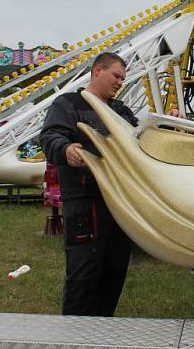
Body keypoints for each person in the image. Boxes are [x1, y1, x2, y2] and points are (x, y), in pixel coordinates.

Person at [39, 51, 138, 316]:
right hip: (86, 202)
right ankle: (74, 336)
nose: (120, 82)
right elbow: (50, 136)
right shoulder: (68, 104)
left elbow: (141, 140)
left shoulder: (121, 111)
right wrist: (66, 149)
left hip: (120, 203)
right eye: (116, 76)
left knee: (114, 272)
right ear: (97, 71)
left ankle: (102, 332)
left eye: (123, 78)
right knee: (84, 273)